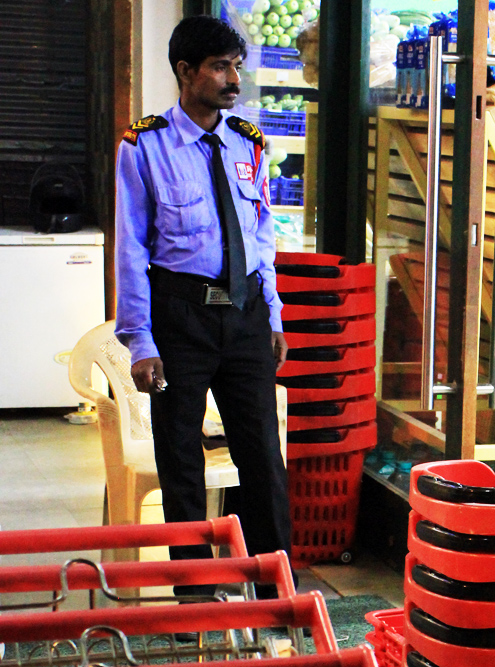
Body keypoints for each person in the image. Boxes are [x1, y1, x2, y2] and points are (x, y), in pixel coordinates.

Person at [114, 15, 292, 596]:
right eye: (219, 67)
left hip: (245, 316)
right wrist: (140, 341)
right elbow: (131, 248)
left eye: (236, 66)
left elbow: (261, 235)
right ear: (186, 72)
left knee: (262, 456)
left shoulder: (249, 142)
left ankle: (275, 590)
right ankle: (195, 594)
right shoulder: (144, 146)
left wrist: (272, 313)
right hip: (179, 321)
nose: (233, 79)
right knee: (181, 459)